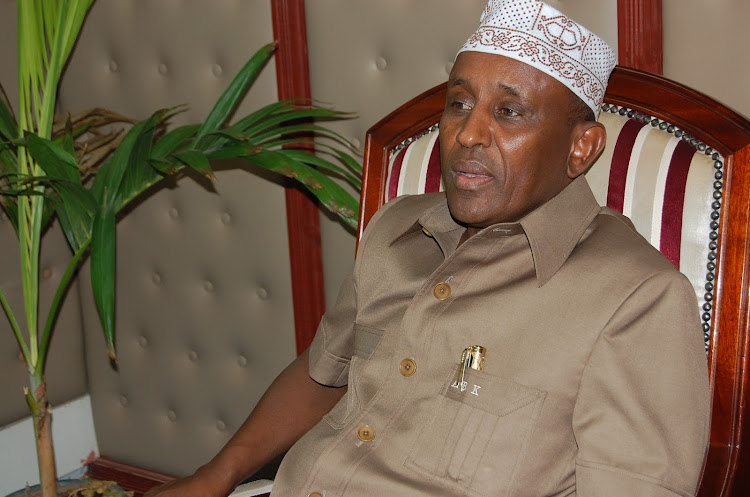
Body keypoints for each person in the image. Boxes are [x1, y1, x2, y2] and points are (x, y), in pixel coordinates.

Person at [146, 0, 710, 495]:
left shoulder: (636, 300)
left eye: (509, 112)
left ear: (581, 148)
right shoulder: (397, 228)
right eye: (459, 103)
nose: (467, 134)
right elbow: (324, 373)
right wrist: (213, 478)